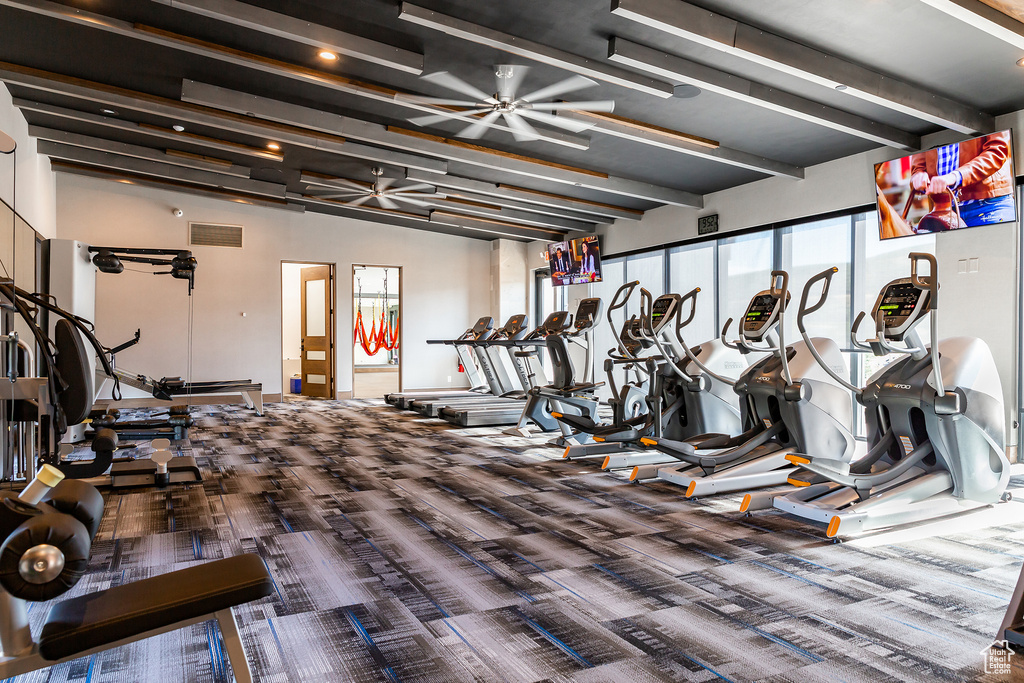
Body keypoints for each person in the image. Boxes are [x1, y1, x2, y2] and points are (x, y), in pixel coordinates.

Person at [910, 131, 1014, 228]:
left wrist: (956, 176)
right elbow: (918, 165)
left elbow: (997, 150)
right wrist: (918, 175)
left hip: (989, 205)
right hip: (943, 211)